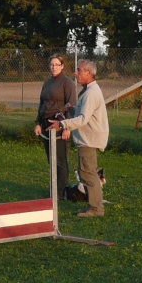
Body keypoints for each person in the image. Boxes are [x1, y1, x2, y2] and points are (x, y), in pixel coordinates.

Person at [48, 59, 109, 217]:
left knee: (87, 174)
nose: (76, 73)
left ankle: (96, 208)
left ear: (89, 73)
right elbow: (84, 112)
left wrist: (61, 125)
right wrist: (72, 108)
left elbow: (83, 119)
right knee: (87, 173)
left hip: (89, 139)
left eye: (79, 70)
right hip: (88, 138)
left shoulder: (91, 93)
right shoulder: (89, 90)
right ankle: (95, 204)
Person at [35, 55, 78, 199]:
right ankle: (54, 189)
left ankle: (59, 192)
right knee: (51, 159)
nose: (54, 67)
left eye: (57, 64)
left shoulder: (67, 83)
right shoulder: (47, 83)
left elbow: (72, 106)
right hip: (46, 123)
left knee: (60, 159)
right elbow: (42, 104)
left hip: (60, 123)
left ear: (62, 66)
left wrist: (67, 127)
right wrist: (38, 123)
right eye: (52, 64)